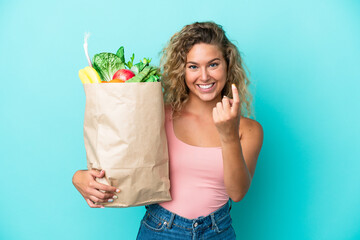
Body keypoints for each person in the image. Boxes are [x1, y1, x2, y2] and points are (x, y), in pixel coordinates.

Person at [72, 21, 263, 239]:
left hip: (217, 231)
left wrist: (228, 134)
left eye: (213, 64)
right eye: (193, 66)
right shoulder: (157, 116)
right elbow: (119, 161)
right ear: (182, 70)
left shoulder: (248, 130)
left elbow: (237, 193)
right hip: (160, 229)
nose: (204, 76)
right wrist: (79, 177)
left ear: (228, 66)